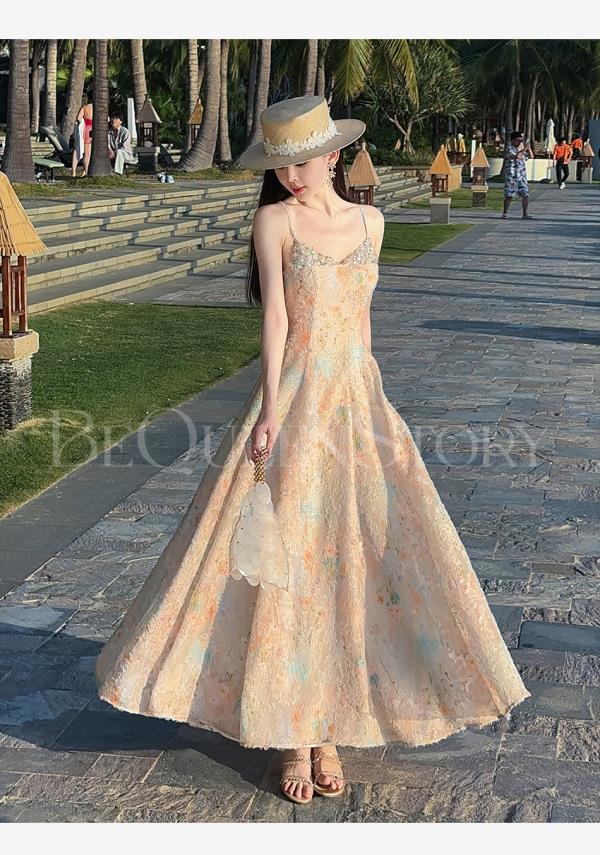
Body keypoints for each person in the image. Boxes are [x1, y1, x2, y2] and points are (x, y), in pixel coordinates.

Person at [94, 95, 531, 807]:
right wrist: (270, 411)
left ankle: (330, 726)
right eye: (281, 165)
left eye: (302, 161)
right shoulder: (275, 221)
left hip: (357, 400)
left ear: (333, 155)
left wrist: (375, 399)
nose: (292, 175)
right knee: (291, 560)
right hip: (296, 399)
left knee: (357, 558)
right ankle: (294, 731)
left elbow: (362, 322)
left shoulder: (372, 223)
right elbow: (275, 318)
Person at [502, 130, 533, 219]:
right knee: (509, 195)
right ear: (513, 140)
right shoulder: (510, 149)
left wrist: (528, 148)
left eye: (521, 141)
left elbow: (531, 156)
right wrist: (524, 148)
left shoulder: (520, 149)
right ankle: (505, 212)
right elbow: (517, 156)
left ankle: (525, 213)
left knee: (525, 194)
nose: (520, 142)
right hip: (512, 176)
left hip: (521, 176)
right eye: (518, 140)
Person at [71, 99, 93, 177]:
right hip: (90, 129)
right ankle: (86, 172)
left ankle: (74, 171)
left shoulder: (85, 107)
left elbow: (79, 118)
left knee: (77, 149)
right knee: (87, 153)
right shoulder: (98, 107)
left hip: (84, 129)